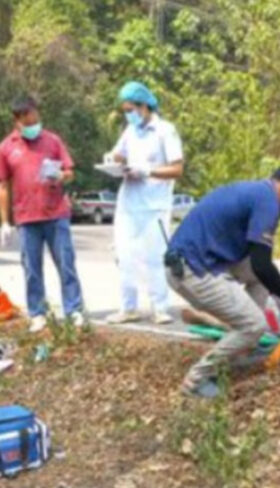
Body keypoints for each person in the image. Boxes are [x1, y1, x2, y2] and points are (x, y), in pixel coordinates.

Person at [165, 161, 280, 398]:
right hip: (191, 270)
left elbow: (260, 268)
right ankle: (197, 379)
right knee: (255, 324)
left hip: (197, 260)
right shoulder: (268, 202)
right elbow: (263, 265)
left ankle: (244, 345)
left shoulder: (257, 191)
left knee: (257, 282)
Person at [0, 95, 85, 333]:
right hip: (26, 217)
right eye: (28, 120)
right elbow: (1, 185)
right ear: (18, 120)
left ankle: (74, 309)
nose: (34, 124)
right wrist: (4, 222)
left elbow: (69, 171)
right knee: (31, 268)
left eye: (36, 118)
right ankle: (37, 313)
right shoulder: (6, 148)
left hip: (56, 213)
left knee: (66, 263)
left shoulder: (52, 141)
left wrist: (61, 176)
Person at [105, 81, 184, 325]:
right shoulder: (130, 131)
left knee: (154, 257)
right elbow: (119, 153)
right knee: (125, 256)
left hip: (154, 205)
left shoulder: (165, 131)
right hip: (129, 202)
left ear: (144, 106)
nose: (129, 114)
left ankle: (160, 307)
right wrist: (113, 160)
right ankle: (128, 307)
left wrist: (147, 170)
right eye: (125, 111)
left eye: (131, 109)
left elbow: (177, 168)